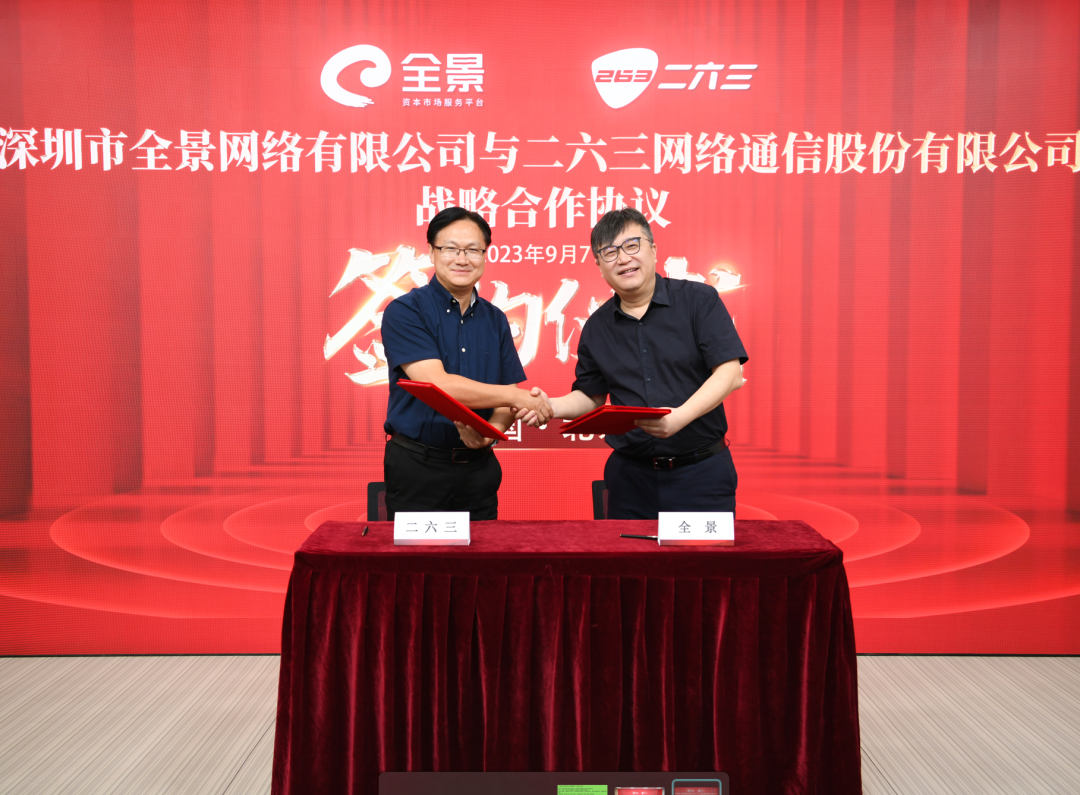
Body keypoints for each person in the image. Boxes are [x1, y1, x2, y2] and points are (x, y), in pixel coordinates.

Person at [522, 207, 747, 519]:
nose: (623, 258)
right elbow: (590, 397)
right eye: (610, 252)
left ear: (653, 250)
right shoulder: (597, 327)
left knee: (703, 554)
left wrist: (679, 417)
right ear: (599, 265)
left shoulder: (699, 300)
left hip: (701, 474)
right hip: (630, 480)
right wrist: (550, 406)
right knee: (626, 554)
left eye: (632, 245)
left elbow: (730, 373)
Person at [380, 206, 553, 520]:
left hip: (479, 469)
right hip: (418, 467)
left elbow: (506, 395)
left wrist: (490, 433)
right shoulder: (406, 311)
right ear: (431, 252)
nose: (462, 259)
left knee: (484, 552)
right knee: (418, 554)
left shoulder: (496, 319)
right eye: (450, 248)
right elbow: (437, 385)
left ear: (485, 254)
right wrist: (519, 397)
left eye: (473, 250)